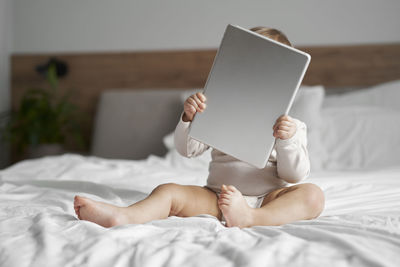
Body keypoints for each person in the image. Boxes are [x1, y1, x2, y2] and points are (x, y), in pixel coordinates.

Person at [74, 26, 325, 228]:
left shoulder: (292, 126)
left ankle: (251, 218)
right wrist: (188, 119)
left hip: (270, 199)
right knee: (168, 191)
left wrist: (287, 140)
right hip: (218, 196)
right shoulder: (219, 110)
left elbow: (294, 175)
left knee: (313, 196)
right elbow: (187, 150)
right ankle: (124, 217)